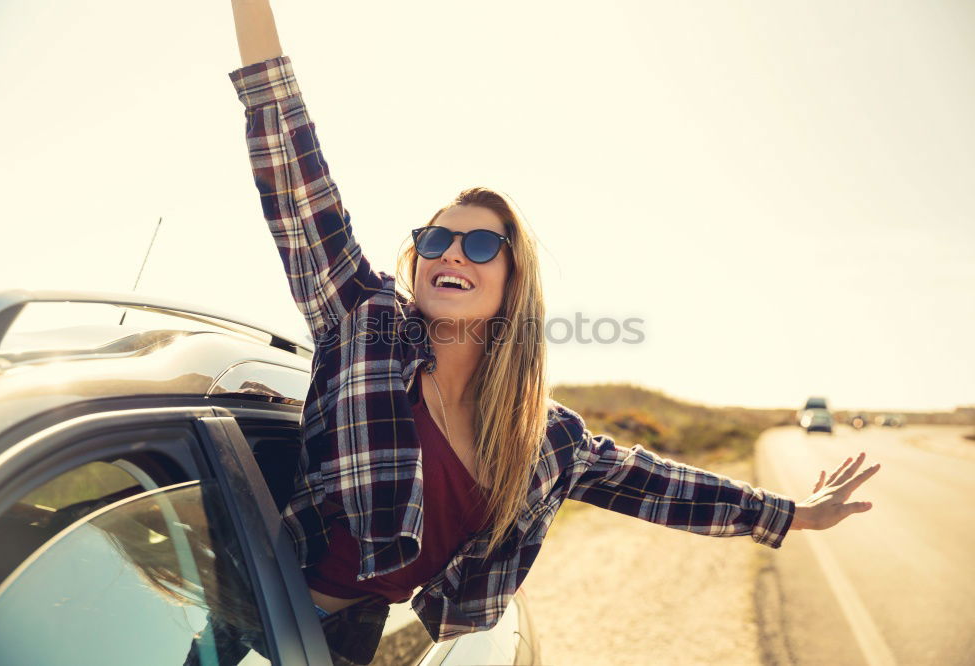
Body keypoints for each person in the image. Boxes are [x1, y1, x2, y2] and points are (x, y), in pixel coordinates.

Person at [227, 2, 881, 663]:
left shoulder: (543, 439)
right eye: (437, 238)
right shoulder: (363, 323)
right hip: (254, 620)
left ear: (514, 281)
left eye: (480, 244)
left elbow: (655, 486)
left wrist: (792, 514)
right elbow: (294, 176)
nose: (452, 253)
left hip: (356, 642)